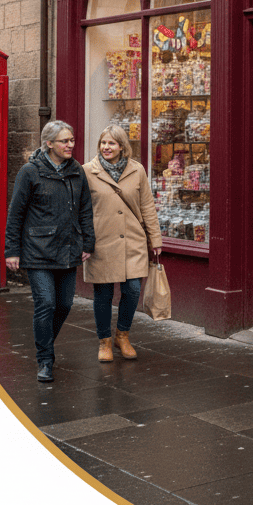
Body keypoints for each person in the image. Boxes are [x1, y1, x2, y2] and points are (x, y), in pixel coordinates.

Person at [5, 121, 94, 383]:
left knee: (65, 305)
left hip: (68, 249)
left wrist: (88, 242)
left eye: (72, 140)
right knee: (46, 303)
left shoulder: (76, 170)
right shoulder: (30, 172)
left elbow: (85, 209)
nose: (70, 145)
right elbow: (16, 214)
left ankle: (45, 342)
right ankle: (45, 359)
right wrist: (12, 250)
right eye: (65, 141)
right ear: (49, 144)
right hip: (37, 250)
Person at [83, 124, 161, 362]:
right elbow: (81, 209)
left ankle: (122, 336)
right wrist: (83, 240)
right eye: (103, 143)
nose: (107, 147)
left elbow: (147, 205)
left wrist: (154, 238)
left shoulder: (137, 170)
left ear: (122, 146)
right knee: (103, 294)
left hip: (133, 240)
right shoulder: (87, 171)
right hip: (102, 241)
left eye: (112, 143)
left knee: (132, 290)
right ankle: (104, 341)